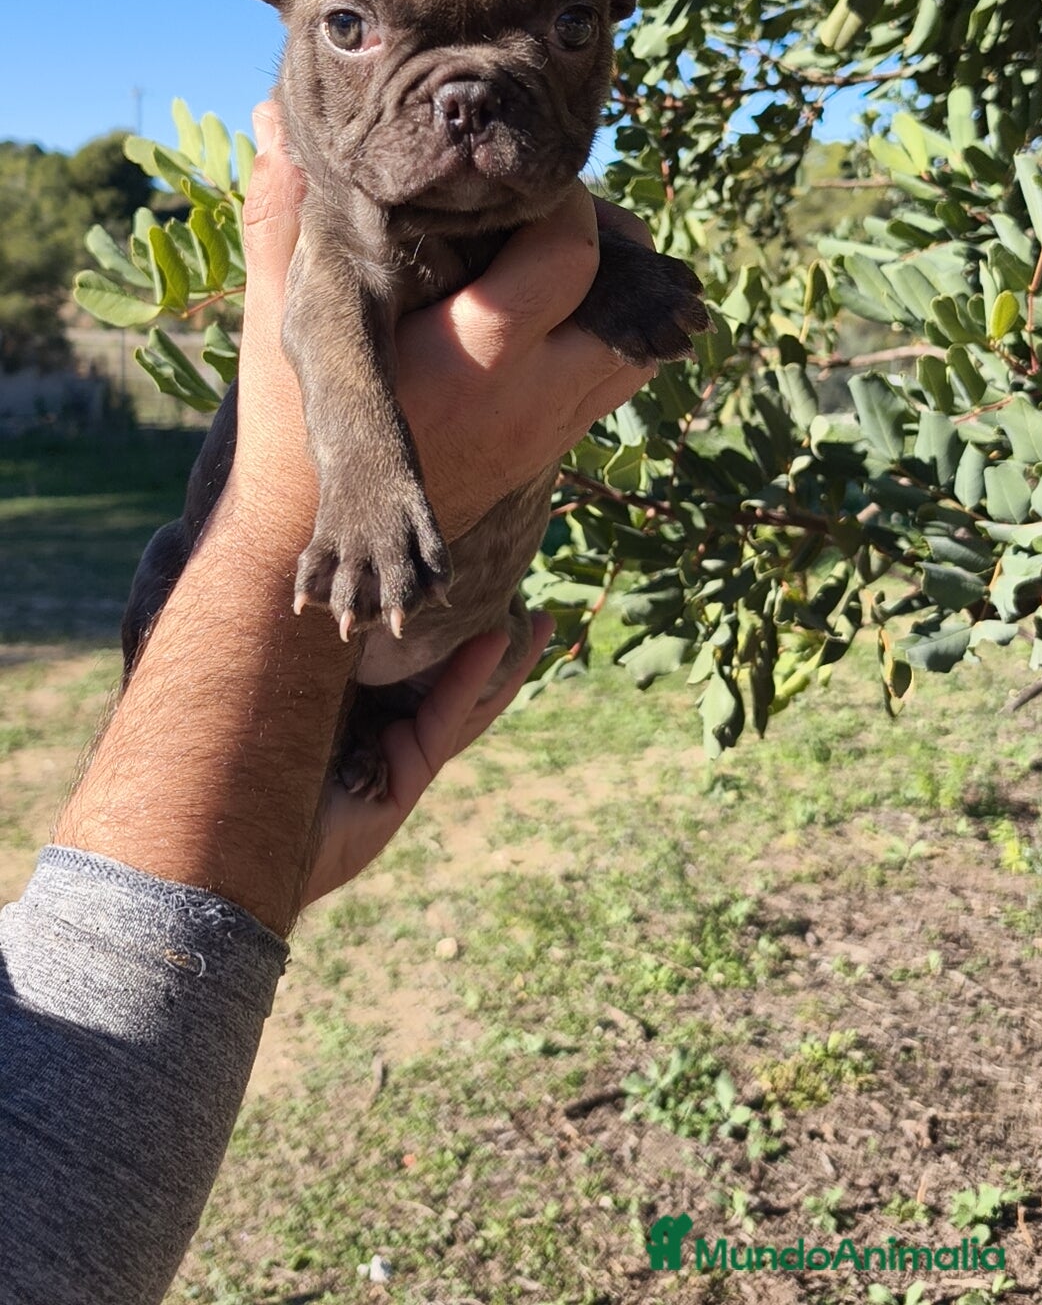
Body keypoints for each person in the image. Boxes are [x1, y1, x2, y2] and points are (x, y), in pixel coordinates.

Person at [0, 100, 657, 1305]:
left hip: (421, 650)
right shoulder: (345, 213)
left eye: (561, 26)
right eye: (357, 25)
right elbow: (328, 305)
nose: (463, 96)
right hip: (320, 647)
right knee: (172, 567)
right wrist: (304, 532)